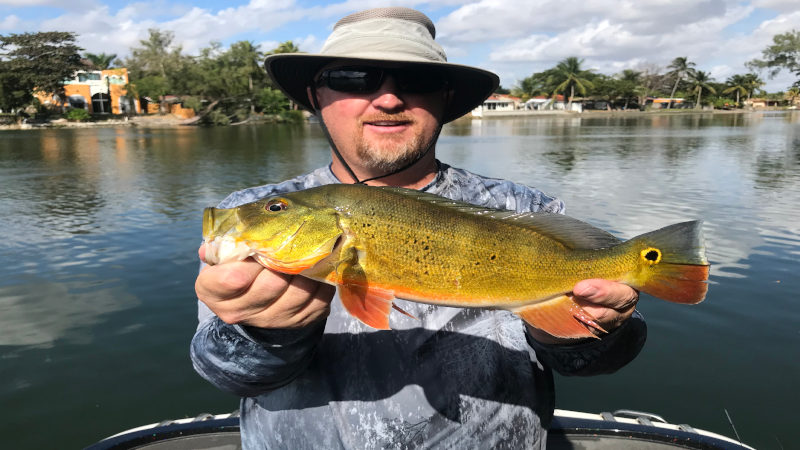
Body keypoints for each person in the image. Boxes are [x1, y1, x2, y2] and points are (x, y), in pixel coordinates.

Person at [192, 7, 645, 449]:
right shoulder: (248, 212)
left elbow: (598, 361)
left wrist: (586, 331)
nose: (389, 100)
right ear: (315, 96)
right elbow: (227, 375)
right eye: (353, 78)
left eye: (419, 80)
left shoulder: (525, 209)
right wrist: (266, 334)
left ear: (445, 98)